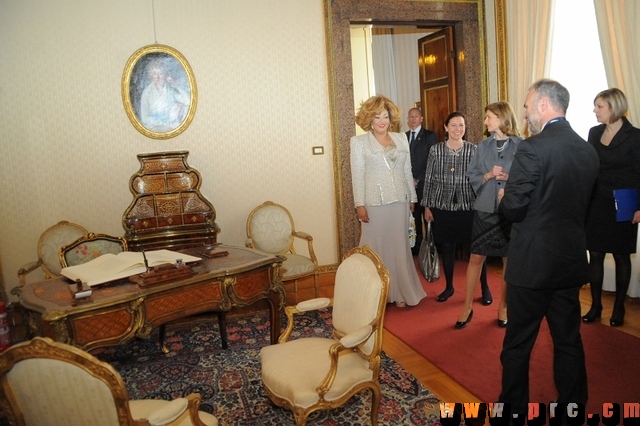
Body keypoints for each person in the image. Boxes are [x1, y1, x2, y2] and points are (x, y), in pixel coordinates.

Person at [497, 79, 599, 421]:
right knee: (568, 339)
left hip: (532, 265)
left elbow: (514, 207)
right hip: (569, 260)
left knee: (518, 344)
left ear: (543, 105)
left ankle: (512, 410)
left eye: (527, 107)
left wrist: (503, 199)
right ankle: (573, 406)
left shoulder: (532, 148)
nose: (525, 114)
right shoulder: (587, 149)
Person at [351, 95, 427, 308]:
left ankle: (400, 292)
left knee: (399, 247)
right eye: (377, 117)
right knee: (373, 249)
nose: (382, 121)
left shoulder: (401, 139)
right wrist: (359, 205)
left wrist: (412, 198)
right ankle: (374, 295)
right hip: (373, 204)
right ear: (369, 119)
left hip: (400, 202)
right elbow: (357, 175)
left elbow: (406, 170)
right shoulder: (358, 142)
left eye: (385, 116)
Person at [455, 101, 522, 329]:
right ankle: (467, 307)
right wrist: (487, 175)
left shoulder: (522, 146)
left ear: (502, 119)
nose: (485, 121)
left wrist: (509, 183)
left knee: (507, 260)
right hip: (484, 208)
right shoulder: (482, 146)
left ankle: (503, 305)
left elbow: (529, 178)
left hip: (509, 210)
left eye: (489, 117)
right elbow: (471, 174)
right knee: (476, 258)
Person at [582, 88, 640, 327]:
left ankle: (618, 308)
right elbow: (588, 166)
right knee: (594, 254)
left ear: (614, 107)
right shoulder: (594, 133)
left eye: (599, 106)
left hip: (624, 203)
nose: (594, 111)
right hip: (596, 202)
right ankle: (596, 305)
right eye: (595, 106)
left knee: (621, 255)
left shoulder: (635, 136)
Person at [422, 112, 482, 302]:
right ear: (446, 128)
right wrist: (427, 206)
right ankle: (449, 287)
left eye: (461, 125)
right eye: (454, 125)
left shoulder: (474, 150)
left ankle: (485, 288)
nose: (458, 129)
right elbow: (429, 179)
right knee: (447, 248)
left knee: (477, 250)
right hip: (442, 206)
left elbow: (480, 179)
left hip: (468, 206)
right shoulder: (436, 150)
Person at [406, 108, 438, 256]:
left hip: (424, 184)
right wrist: (408, 179)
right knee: (413, 218)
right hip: (407, 186)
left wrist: (417, 178)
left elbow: (432, 161)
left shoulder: (429, 136)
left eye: (416, 116)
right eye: (411, 116)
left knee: (427, 218)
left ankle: (431, 250)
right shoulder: (403, 137)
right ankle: (415, 249)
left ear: (422, 118)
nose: (413, 119)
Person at [139, 59, 190, 132]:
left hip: (170, 126)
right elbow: (145, 118)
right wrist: (166, 124)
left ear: (165, 75)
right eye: (154, 74)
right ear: (151, 76)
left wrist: (176, 85)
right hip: (153, 127)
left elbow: (187, 101)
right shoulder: (147, 92)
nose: (157, 77)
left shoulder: (169, 90)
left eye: (160, 73)